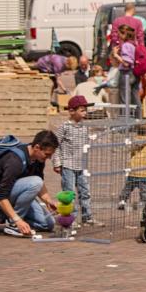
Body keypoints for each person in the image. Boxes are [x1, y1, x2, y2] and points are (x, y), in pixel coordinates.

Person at [0, 130, 60, 238]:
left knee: (48, 224)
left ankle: (3, 215)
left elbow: (40, 184)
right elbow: (1, 195)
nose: (49, 158)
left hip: (15, 193)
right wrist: (17, 220)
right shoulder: (15, 161)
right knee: (35, 182)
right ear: (37, 147)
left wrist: (48, 201)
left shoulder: (38, 159)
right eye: (47, 154)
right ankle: (13, 223)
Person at [51, 95, 96, 224]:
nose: (85, 113)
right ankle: (72, 218)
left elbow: (87, 142)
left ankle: (87, 216)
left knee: (85, 191)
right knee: (70, 194)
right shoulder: (65, 127)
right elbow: (55, 145)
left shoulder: (85, 127)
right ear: (72, 111)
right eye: (82, 110)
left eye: (85, 110)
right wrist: (57, 163)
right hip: (68, 165)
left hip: (81, 165)